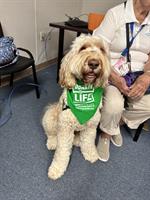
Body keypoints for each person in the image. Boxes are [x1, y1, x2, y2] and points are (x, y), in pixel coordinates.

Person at [93, 0, 150, 162]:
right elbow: (97, 50)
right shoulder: (116, 14)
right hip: (112, 72)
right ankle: (105, 134)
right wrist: (114, 78)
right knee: (114, 105)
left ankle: (115, 123)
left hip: (139, 73)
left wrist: (147, 76)